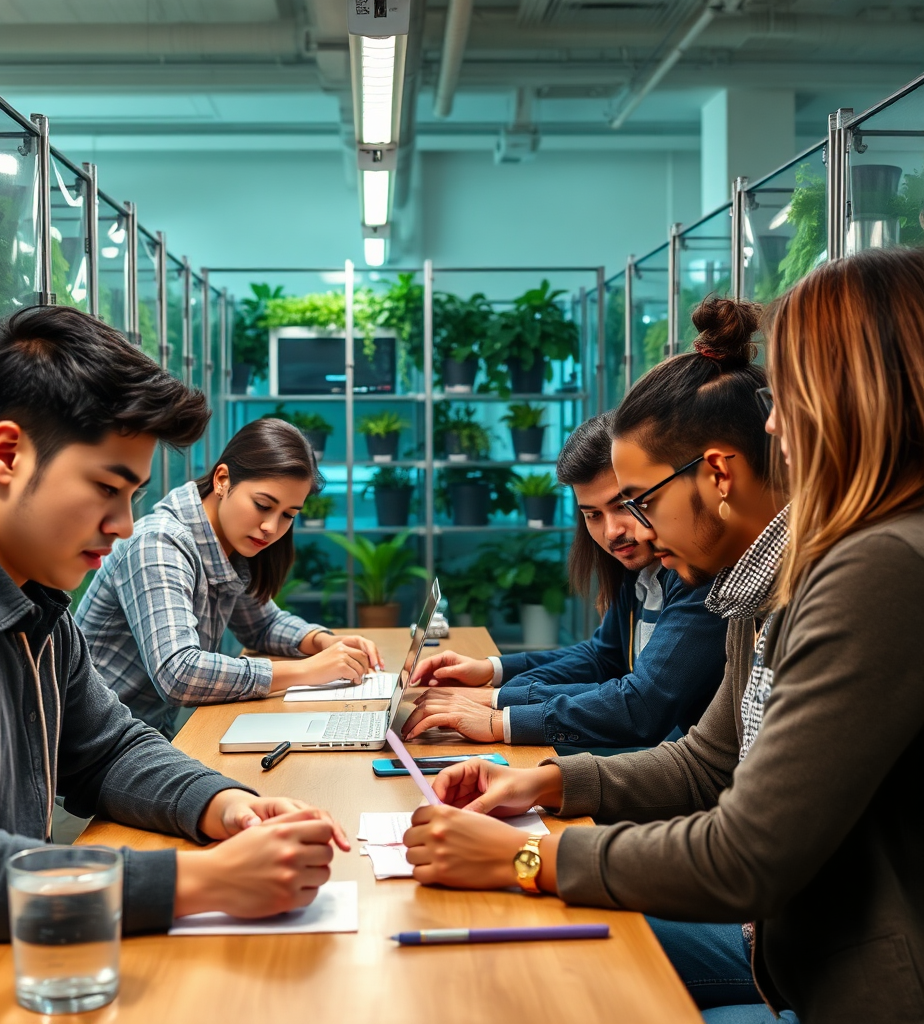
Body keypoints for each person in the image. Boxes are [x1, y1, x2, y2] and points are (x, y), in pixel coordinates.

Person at [402, 249, 924, 1024]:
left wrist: (528, 856)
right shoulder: (781, 572)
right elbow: (710, 760)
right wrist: (546, 784)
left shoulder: (877, 566)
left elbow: (747, 855)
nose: (773, 421)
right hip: (794, 958)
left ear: (715, 473)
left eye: (789, 396)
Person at [0, 307, 348, 1022]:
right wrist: (201, 882)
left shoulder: (34, 601)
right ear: (7, 454)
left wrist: (225, 807)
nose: (124, 525)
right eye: (108, 488)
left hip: (24, 967)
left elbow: (109, 749)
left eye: (133, 495)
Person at [402, 412, 728, 749]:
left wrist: (497, 709)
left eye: (624, 506)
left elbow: (641, 706)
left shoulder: (697, 574)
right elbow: (604, 658)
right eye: (593, 515)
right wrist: (492, 671)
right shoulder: (640, 570)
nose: (612, 532)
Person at [76, 417, 383, 738]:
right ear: (222, 479)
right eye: (263, 505)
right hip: (95, 747)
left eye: (288, 515)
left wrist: (322, 642)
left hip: (145, 737)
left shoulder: (229, 541)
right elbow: (178, 673)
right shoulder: (158, 542)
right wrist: (308, 671)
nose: (271, 527)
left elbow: (262, 624)